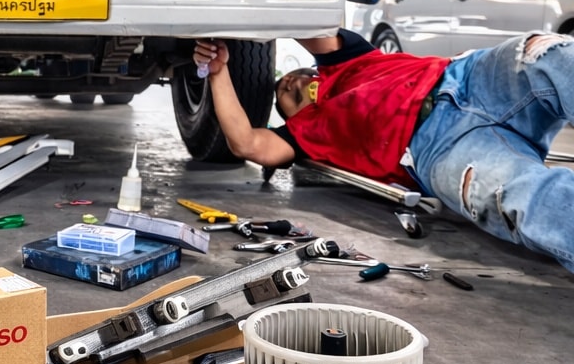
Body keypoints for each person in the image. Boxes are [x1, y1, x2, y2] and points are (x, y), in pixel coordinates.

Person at [193, 29, 574, 274]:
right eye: (287, 97)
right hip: (437, 147)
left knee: (548, 55)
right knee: (523, 198)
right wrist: (218, 71)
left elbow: (307, 23)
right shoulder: (304, 135)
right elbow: (246, 142)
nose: (290, 84)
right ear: (290, 117)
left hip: (467, 77)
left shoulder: (349, 60)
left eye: (289, 80)